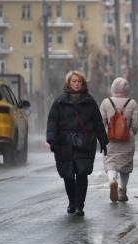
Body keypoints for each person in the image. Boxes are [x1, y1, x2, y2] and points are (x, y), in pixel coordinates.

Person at [46, 70, 108, 216]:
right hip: (64, 144)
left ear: (83, 83)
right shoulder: (59, 101)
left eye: (79, 81)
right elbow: (52, 121)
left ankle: (80, 205)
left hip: (84, 144)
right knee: (68, 175)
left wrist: (103, 141)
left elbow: (98, 122)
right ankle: (72, 202)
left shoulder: (89, 101)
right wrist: (51, 139)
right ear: (69, 82)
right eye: (74, 81)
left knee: (82, 174)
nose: (76, 84)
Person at [100, 77, 138, 202]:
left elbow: (101, 122)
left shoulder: (106, 102)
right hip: (127, 140)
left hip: (110, 140)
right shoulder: (132, 103)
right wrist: (130, 132)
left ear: (112, 88)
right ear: (127, 90)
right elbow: (136, 124)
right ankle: (122, 191)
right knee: (125, 166)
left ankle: (112, 180)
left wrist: (103, 134)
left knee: (110, 163)